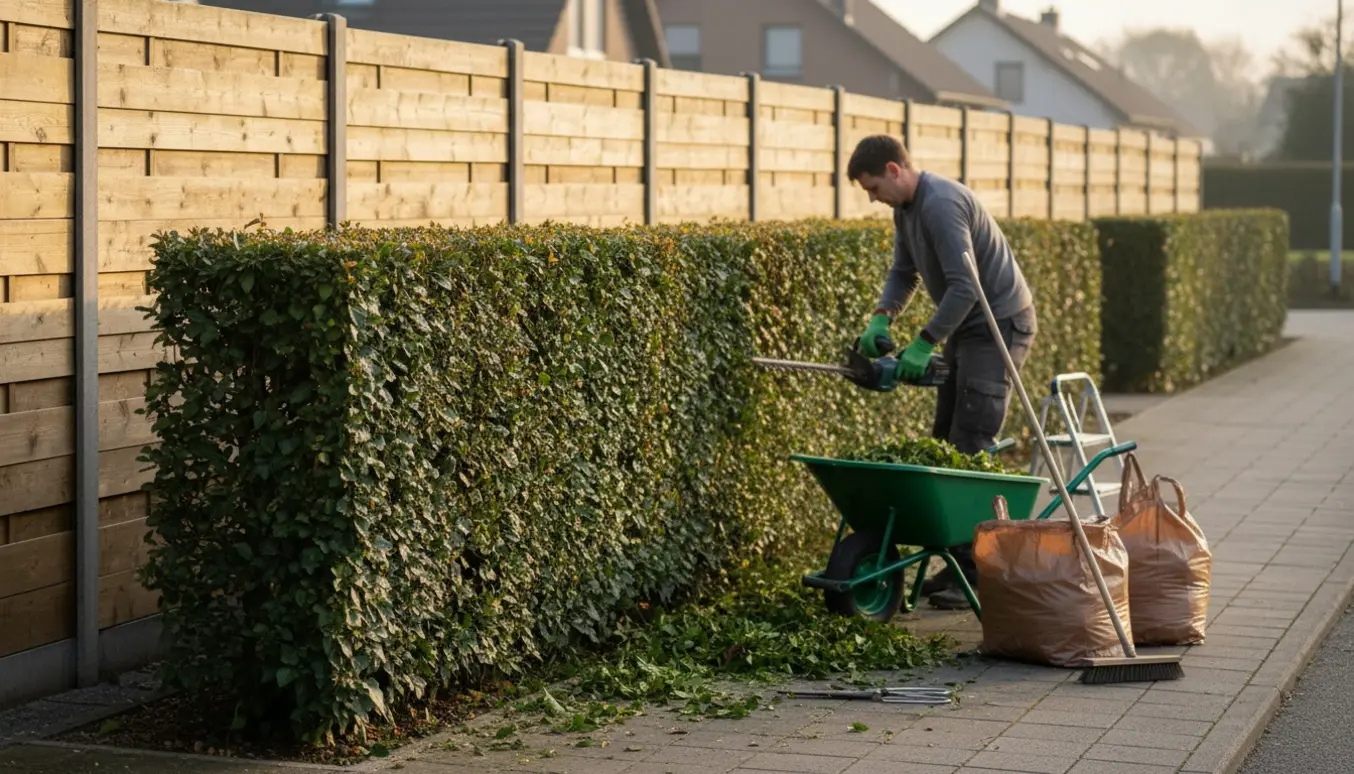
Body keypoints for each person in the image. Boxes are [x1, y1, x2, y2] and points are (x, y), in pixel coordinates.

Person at [846, 134, 1038, 610]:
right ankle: (956, 562)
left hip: (999, 327)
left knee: (969, 447)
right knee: (942, 447)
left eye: (873, 188)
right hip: (969, 330)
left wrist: (924, 342)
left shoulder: (941, 205)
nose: (873, 199)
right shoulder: (906, 210)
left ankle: (974, 575)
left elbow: (965, 287)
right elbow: (903, 272)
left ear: (894, 170)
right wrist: (882, 315)